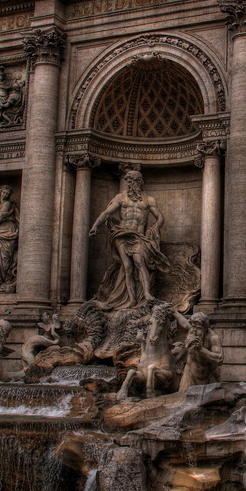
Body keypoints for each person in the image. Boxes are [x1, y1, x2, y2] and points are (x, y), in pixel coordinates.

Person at [90, 170, 171, 310]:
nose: (130, 184)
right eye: (128, 182)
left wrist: (154, 228)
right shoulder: (121, 198)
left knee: (140, 263)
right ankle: (132, 299)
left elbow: (160, 217)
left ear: (139, 182)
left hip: (138, 236)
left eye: (132, 181)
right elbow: (107, 213)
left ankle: (146, 294)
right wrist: (95, 225)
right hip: (122, 234)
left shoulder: (149, 200)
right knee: (127, 267)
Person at [117, 302, 177, 399]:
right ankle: (124, 387)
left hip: (167, 381)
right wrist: (141, 341)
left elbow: (167, 379)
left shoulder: (167, 353)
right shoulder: (149, 323)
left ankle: (149, 388)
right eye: (150, 323)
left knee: (151, 368)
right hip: (148, 358)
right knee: (132, 372)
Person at [172, 310, 223, 390]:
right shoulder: (192, 330)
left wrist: (201, 349)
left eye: (198, 328)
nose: (194, 330)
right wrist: (173, 311)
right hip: (190, 374)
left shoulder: (213, 338)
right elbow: (184, 322)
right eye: (193, 326)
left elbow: (219, 359)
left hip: (209, 376)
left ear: (205, 327)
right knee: (183, 398)